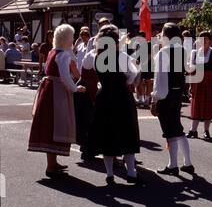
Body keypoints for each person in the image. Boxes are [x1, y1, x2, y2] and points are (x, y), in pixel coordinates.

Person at [85, 24, 142, 185]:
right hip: (122, 96)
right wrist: (127, 82)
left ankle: (109, 174)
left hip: (104, 96)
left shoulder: (94, 55)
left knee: (107, 134)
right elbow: (134, 72)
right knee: (128, 133)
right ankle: (131, 173)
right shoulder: (122, 56)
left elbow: (85, 64)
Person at [28, 24, 86, 177]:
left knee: (51, 125)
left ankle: (52, 163)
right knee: (57, 125)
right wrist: (75, 88)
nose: (73, 39)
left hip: (49, 90)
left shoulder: (54, 51)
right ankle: (51, 166)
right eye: (71, 37)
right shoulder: (64, 54)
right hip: (57, 92)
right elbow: (65, 76)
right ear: (67, 38)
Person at [151, 22, 194, 176]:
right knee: (177, 128)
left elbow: (160, 79)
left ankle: (173, 165)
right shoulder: (181, 50)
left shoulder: (163, 53)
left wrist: (155, 100)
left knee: (169, 131)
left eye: (162, 33)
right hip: (177, 94)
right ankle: (187, 163)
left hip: (166, 95)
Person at [187, 31, 212, 139]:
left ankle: (206, 131)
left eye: (205, 39)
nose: (203, 41)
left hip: (209, 83)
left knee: (207, 108)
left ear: (210, 40)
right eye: (201, 39)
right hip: (197, 83)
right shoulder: (194, 53)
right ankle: (193, 130)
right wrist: (190, 84)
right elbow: (191, 70)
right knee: (196, 106)